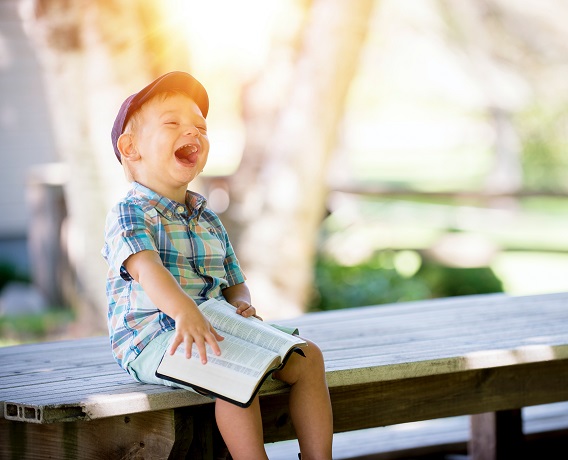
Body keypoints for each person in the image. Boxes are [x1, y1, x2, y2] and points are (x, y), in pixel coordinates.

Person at [102, 71, 333, 460]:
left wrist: (241, 301)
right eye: (172, 123)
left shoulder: (205, 215)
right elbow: (147, 269)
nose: (192, 132)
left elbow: (233, 279)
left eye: (200, 127)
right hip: (154, 337)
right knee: (235, 374)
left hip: (214, 322)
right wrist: (185, 311)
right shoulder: (130, 212)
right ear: (131, 147)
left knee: (308, 357)